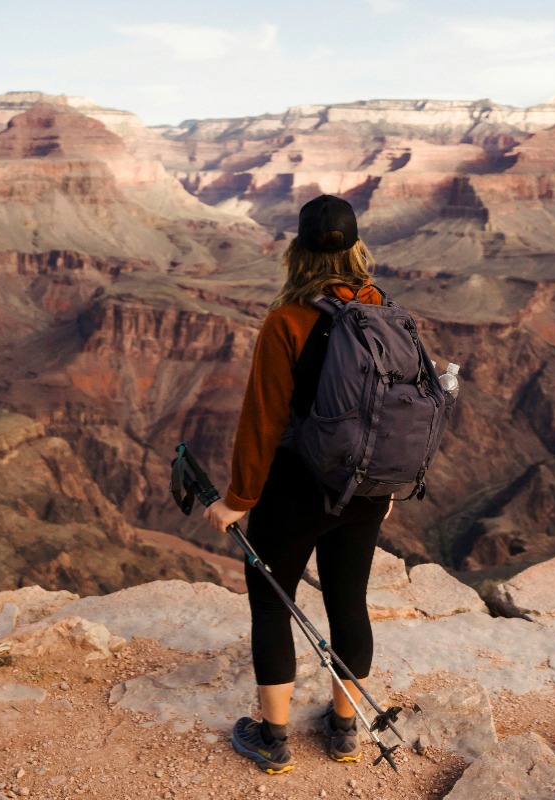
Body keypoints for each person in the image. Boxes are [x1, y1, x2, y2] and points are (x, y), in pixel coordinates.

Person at [203, 194, 393, 774]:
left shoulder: (287, 321)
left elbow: (260, 421)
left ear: (297, 254)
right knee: (348, 603)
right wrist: (384, 492)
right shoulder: (384, 313)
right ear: (358, 249)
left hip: (295, 496)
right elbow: (399, 410)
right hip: (363, 490)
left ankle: (273, 738)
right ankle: (343, 731)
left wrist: (238, 501)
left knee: (271, 605)